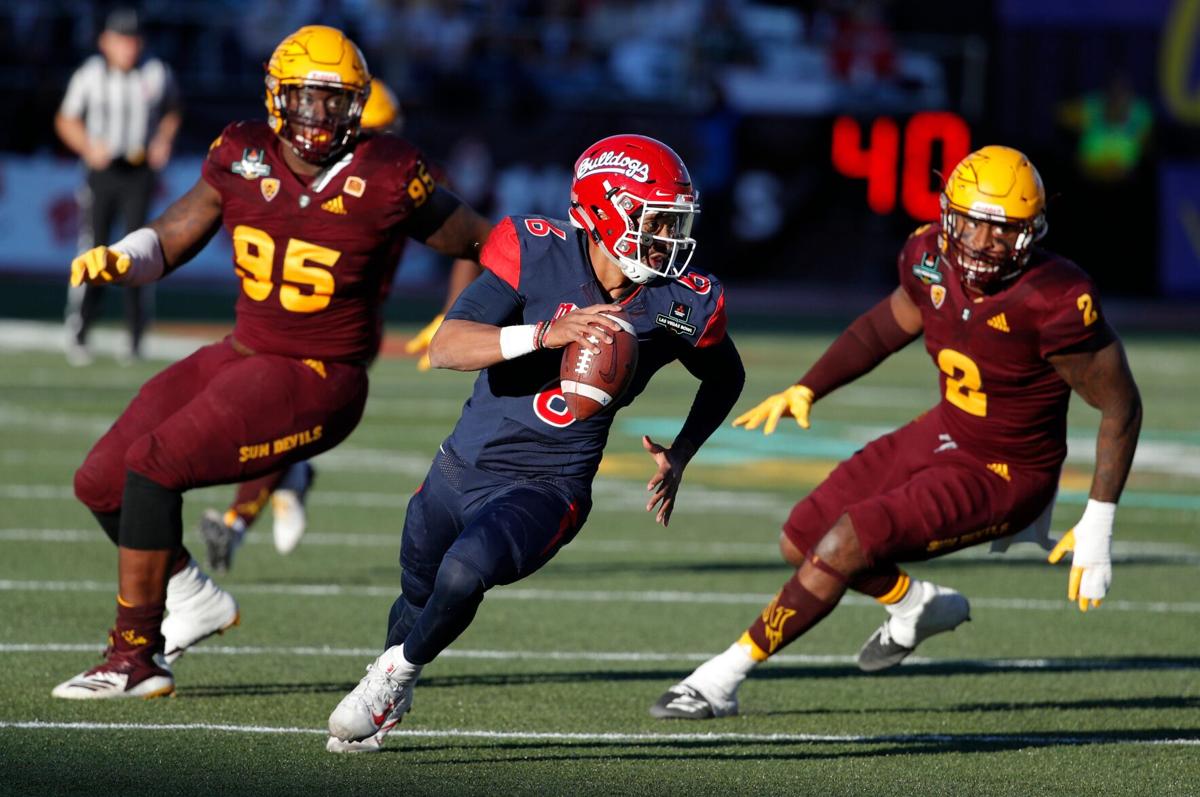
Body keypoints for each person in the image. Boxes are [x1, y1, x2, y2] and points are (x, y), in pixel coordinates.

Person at [51, 25, 493, 700]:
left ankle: (133, 655)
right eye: (308, 99)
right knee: (101, 479)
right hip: (244, 348)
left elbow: (482, 239)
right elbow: (179, 227)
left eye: (336, 101)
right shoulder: (241, 151)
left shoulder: (387, 169)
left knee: (154, 465)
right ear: (277, 97)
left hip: (321, 373)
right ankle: (192, 596)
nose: (320, 116)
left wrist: (474, 312)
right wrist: (125, 255)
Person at [649, 145, 1142, 720]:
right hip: (945, 430)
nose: (983, 245)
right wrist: (810, 387)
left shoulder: (1054, 298)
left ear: (1031, 234)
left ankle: (718, 679)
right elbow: (883, 327)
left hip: (1007, 471)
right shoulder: (928, 255)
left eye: (1003, 232)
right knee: (801, 537)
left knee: (846, 541)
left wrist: (1098, 520)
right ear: (949, 217)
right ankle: (913, 606)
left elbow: (1121, 407)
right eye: (974, 225)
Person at [325, 134, 746, 752]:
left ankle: (393, 677)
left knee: (465, 574)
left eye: (675, 220)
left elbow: (725, 375)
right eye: (656, 219)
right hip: (461, 464)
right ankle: (396, 669)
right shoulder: (536, 252)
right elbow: (448, 346)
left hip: (551, 483)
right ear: (605, 211)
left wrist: (682, 450)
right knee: (419, 595)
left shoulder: (679, 302)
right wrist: (545, 334)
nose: (670, 236)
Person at [196, 77, 483, 572]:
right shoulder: (293, 170)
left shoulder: (402, 173)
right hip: (287, 319)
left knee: (279, 414)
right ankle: (281, 485)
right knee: (274, 415)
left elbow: (471, 237)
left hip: (348, 324)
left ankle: (242, 516)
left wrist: (454, 311)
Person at [57, 7, 182, 365]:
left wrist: (162, 140)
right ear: (106, 42)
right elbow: (66, 119)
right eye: (123, 40)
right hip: (103, 172)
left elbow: (173, 110)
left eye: (134, 40)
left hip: (139, 171)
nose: (129, 47)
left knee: (138, 249)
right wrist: (87, 145)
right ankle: (80, 330)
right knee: (93, 247)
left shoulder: (156, 73)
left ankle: (135, 335)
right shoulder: (91, 75)